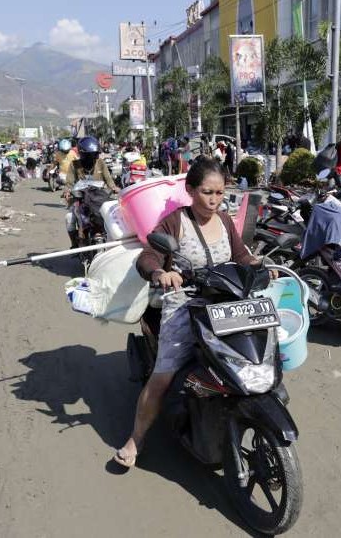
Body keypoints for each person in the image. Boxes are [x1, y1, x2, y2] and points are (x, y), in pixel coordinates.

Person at [114, 157, 262, 468]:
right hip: (185, 304)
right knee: (163, 376)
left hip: (225, 303)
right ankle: (136, 439)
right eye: (208, 192)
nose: (214, 200)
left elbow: (240, 255)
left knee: (256, 354)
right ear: (191, 190)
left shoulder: (223, 221)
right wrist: (159, 274)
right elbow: (148, 256)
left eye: (220, 193)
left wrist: (260, 266)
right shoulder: (175, 222)